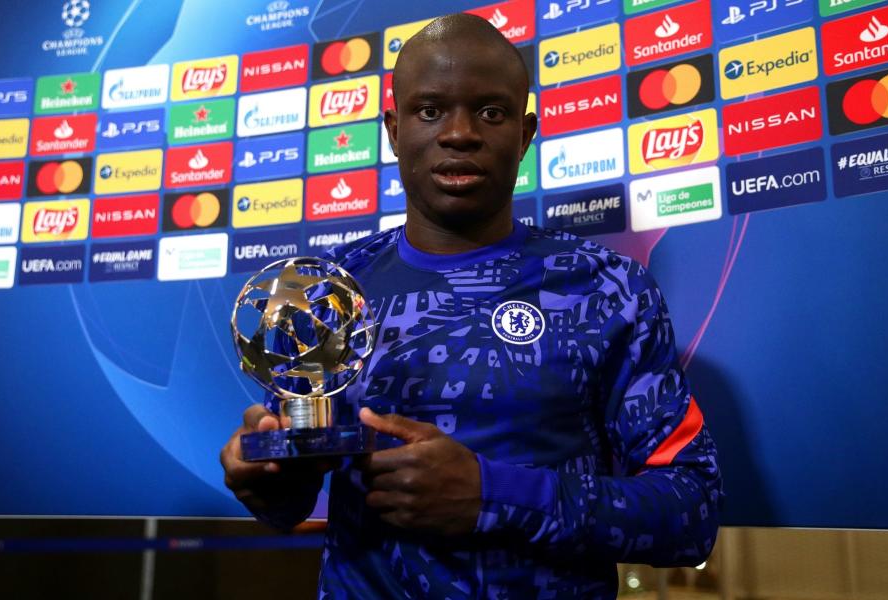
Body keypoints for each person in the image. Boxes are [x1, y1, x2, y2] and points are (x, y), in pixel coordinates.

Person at [220, 13, 722, 598]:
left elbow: (693, 511)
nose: (460, 134)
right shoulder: (330, 290)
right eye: (430, 111)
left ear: (526, 133)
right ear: (392, 129)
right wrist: (270, 482)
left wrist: (493, 494)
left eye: (491, 112)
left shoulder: (609, 288)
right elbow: (289, 502)